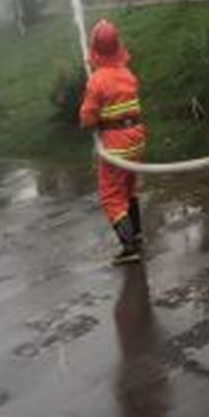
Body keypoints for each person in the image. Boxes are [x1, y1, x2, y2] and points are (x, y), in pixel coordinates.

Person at [79, 19, 145, 265]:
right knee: (128, 189)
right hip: (136, 141)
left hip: (117, 146)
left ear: (95, 49)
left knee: (111, 196)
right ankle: (136, 236)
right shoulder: (127, 74)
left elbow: (87, 119)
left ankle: (129, 247)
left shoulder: (96, 81)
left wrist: (90, 111)